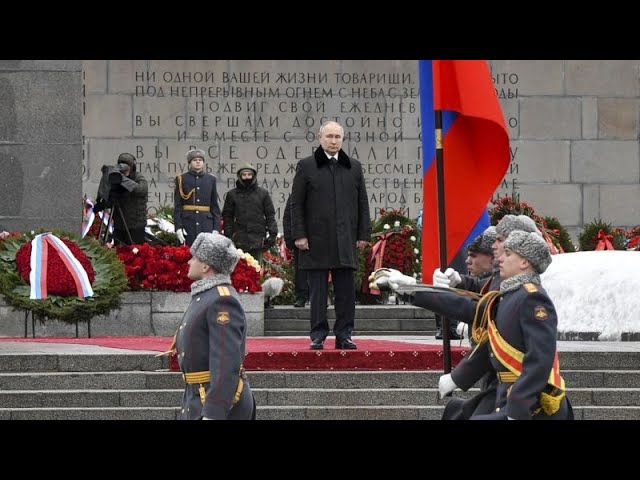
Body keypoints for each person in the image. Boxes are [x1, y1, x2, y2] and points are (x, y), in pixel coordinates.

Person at [374, 228, 573, 420]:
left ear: (524, 262)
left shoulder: (532, 299)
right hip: (504, 395)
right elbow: (490, 340)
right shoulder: (508, 295)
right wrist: (412, 288)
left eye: (507, 253)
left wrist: (518, 409)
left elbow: (539, 359)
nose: (500, 258)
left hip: (529, 405)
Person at [290, 120, 371, 350]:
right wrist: (299, 235)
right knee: (317, 291)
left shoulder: (353, 167)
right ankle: (318, 334)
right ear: (320, 138)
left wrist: (363, 233)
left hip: (345, 238)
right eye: (330, 137)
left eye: (338, 137)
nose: (334, 141)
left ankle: (344, 334)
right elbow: (296, 203)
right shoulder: (306, 166)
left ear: (342, 139)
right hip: (316, 240)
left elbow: (362, 202)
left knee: (345, 291)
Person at [173, 231, 255, 420]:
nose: (189, 262)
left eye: (194, 257)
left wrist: (213, 413)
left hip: (215, 401)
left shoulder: (222, 300)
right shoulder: (207, 295)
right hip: (198, 396)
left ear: (205, 266)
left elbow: (226, 362)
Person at [222, 163, 278, 264]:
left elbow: (270, 215)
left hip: (257, 238)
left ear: (253, 176)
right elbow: (227, 216)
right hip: (239, 238)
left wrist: (272, 235)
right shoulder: (232, 194)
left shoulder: (263, 193)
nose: (247, 177)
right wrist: (229, 234)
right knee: (239, 270)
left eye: (249, 174)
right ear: (240, 176)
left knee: (257, 268)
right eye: (244, 175)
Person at [95, 152, 148, 245]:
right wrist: (102, 202)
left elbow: (142, 190)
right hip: (119, 225)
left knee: (135, 252)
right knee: (120, 252)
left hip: (135, 225)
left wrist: (123, 180)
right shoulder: (115, 178)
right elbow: (112, 197)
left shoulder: (138, 177)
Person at [174, 148, 221, 247]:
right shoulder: (181, 179)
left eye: (200, 160)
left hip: (206, 223)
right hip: (188, 222)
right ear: (190, 163)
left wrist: (216, 229)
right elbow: (178, 206)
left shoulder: (211, 179)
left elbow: (214, 206)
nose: (198, 162)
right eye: (195, 160)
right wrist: (178, 227)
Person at [283, 194, 309, 307]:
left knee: (319, 271)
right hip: (300, 238)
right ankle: (301, 296)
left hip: (319, 239)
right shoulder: (295, 196)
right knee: (300, 270)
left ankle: (318, 297)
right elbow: (288, 217)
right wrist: (289, 239)